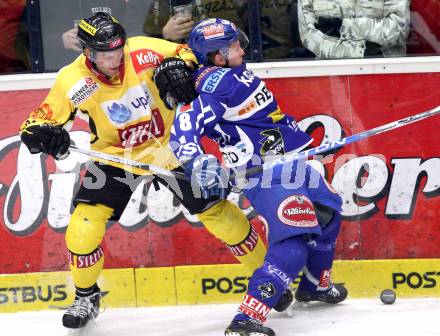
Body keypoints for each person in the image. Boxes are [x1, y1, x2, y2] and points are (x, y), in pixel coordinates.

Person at [19, 12, 269, 330]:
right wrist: (42, 133)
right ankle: (86, 296)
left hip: (171, 149)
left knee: (222, 217)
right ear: (88, 53)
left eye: (118, 51)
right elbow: (40, 119)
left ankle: (268, 285)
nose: (115, 59)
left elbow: (190, 53)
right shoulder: (75, 82)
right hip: (115, 160)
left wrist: (178, 67)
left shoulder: (143, 51)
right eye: (106, 55)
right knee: (82, 230)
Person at [170, 18, 348, 336]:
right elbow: (186, 123)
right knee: (293, 243)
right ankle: (246, 319)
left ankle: (313, 286)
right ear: (218, 56)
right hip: (267, 172)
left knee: (329, 211)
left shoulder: (228, 69)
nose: (242, 46)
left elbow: (187, 52)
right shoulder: (217, 84)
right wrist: (196, 161)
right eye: (234, 44)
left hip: (291, 160)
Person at [143, 0, 294, 59]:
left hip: (242, 62)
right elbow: (146, 47)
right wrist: (164, 35)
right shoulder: (164, 3)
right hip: (191, 70)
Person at [297, 0, 411, 59]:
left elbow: (399, 29)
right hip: (331, 79)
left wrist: (343, 26)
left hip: (385, 73)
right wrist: (359, 51)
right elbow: (308, 34)